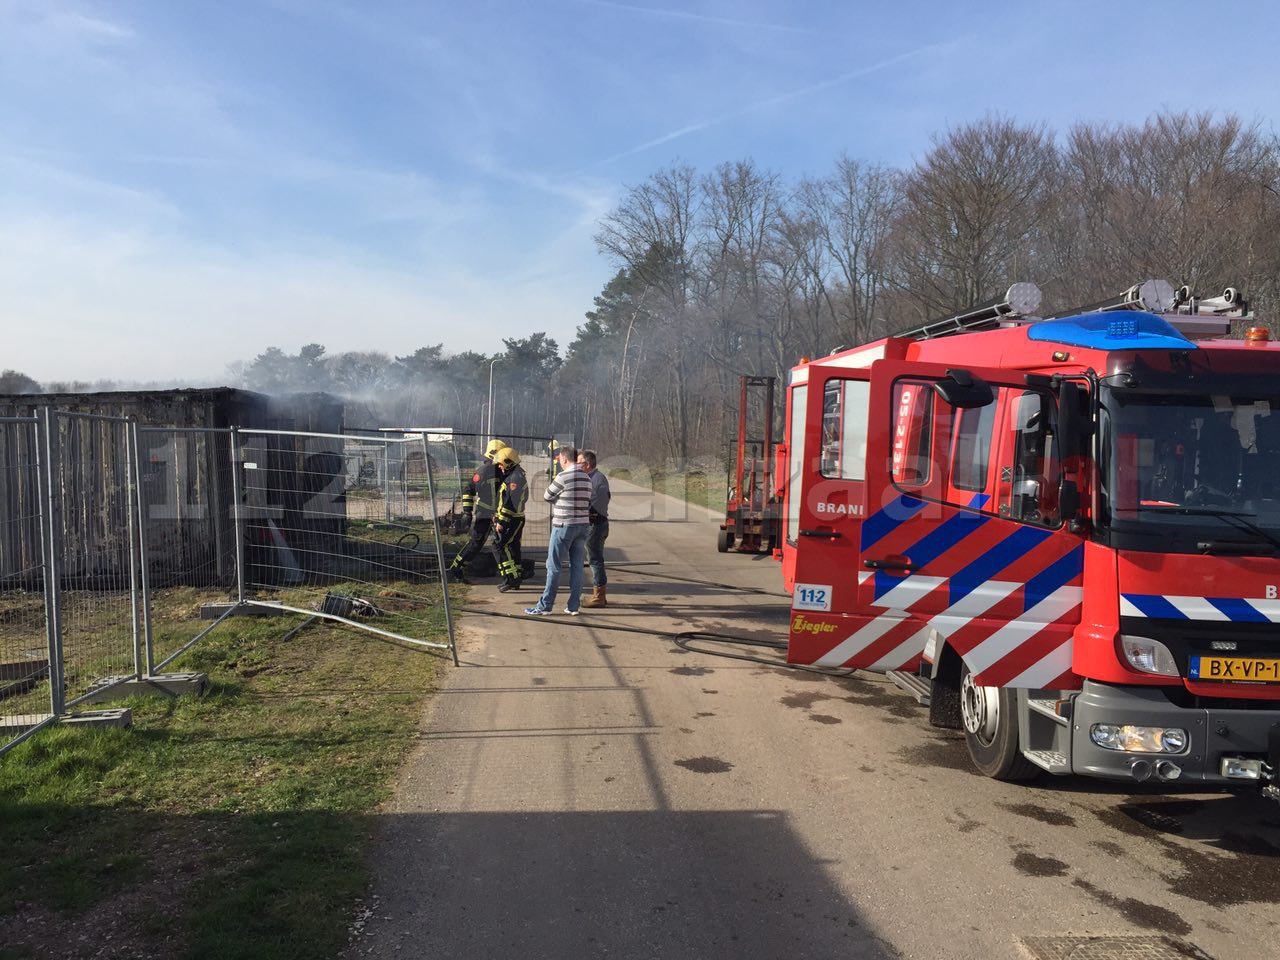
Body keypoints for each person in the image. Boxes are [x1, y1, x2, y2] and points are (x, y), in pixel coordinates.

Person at [524, 444, 592, 616]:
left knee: (554, 566)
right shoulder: (587, 478)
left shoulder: (563, 476)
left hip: (563, 525)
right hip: (583, 526)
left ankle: (545, 605)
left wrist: (560, 501)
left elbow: (547, 495)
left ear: (564, 459)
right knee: (577, 566)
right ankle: (573, 606)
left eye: (560, 460)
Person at [447, 438, 505, 583]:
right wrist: (467, 511)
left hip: (499, 514)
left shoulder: (502, 470)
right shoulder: (483, 471)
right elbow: (468, 490)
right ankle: (456, 568)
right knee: (475, 544)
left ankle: (508, 574)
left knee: (502, 543)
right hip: (484, 514)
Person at [492, 447, 528, 592]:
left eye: (500, 463)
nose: (499, 466)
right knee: (513, 547)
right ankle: (515, 577)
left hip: (512, 519)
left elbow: (510, 503)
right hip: (515, 518)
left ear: (508, 462)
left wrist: (502, 521)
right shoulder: (515, 475)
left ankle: (511, 578)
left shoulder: (514, 479)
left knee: (500, 546)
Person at [578, 449, 611, 608]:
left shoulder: (594, 481)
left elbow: (591, 503)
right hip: (600, 523)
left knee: (595, 560)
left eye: (579, 463)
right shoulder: (599, 478)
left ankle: (598, 596)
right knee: (596, 558)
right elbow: (608, 497)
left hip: (596, 525)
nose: (577, 465)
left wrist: (584, 512)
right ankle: (600, 595)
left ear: (587, 464)